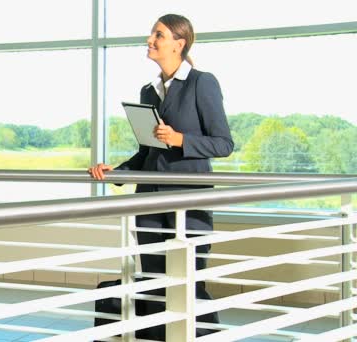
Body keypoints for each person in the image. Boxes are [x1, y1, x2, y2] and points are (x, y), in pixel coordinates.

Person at [88, 14, 234, 340]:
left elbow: (223, 143)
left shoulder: (202, 83)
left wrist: (180, 139)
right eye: (152, 34)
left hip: (189, 201)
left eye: (159, 35)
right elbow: (147, 152)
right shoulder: (148, 91)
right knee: (155, 281)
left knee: (188, 280)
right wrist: (118, 172)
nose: (150, 40)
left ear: (179, 44)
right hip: (150, 199)